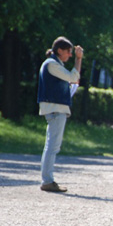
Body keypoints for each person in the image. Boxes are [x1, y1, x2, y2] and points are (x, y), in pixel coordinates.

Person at [37, 36, 83, 192]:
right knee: (52, 147)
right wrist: (79, 59)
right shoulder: (52, 64)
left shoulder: (54, 64)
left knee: (51, 146)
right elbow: (74, 77)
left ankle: (47, 180)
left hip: (55, 109)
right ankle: (47, 181)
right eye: (68, 52)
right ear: (59, 50)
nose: (70, 55)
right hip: (56, 110)